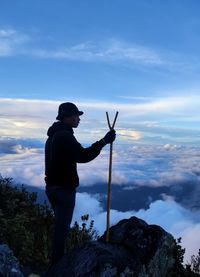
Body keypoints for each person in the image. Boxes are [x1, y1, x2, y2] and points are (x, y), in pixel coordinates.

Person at [44, 102, 116, 269]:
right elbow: (83, 156)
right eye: (76, 116)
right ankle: (56, 269)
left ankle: (56, 265)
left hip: (52, 188)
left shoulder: (53, 136)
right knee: (61, 232)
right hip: (64, 191)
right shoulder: (65, 136)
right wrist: (104, 141)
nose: (79, 119)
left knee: (60, 228)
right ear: (67, 117)